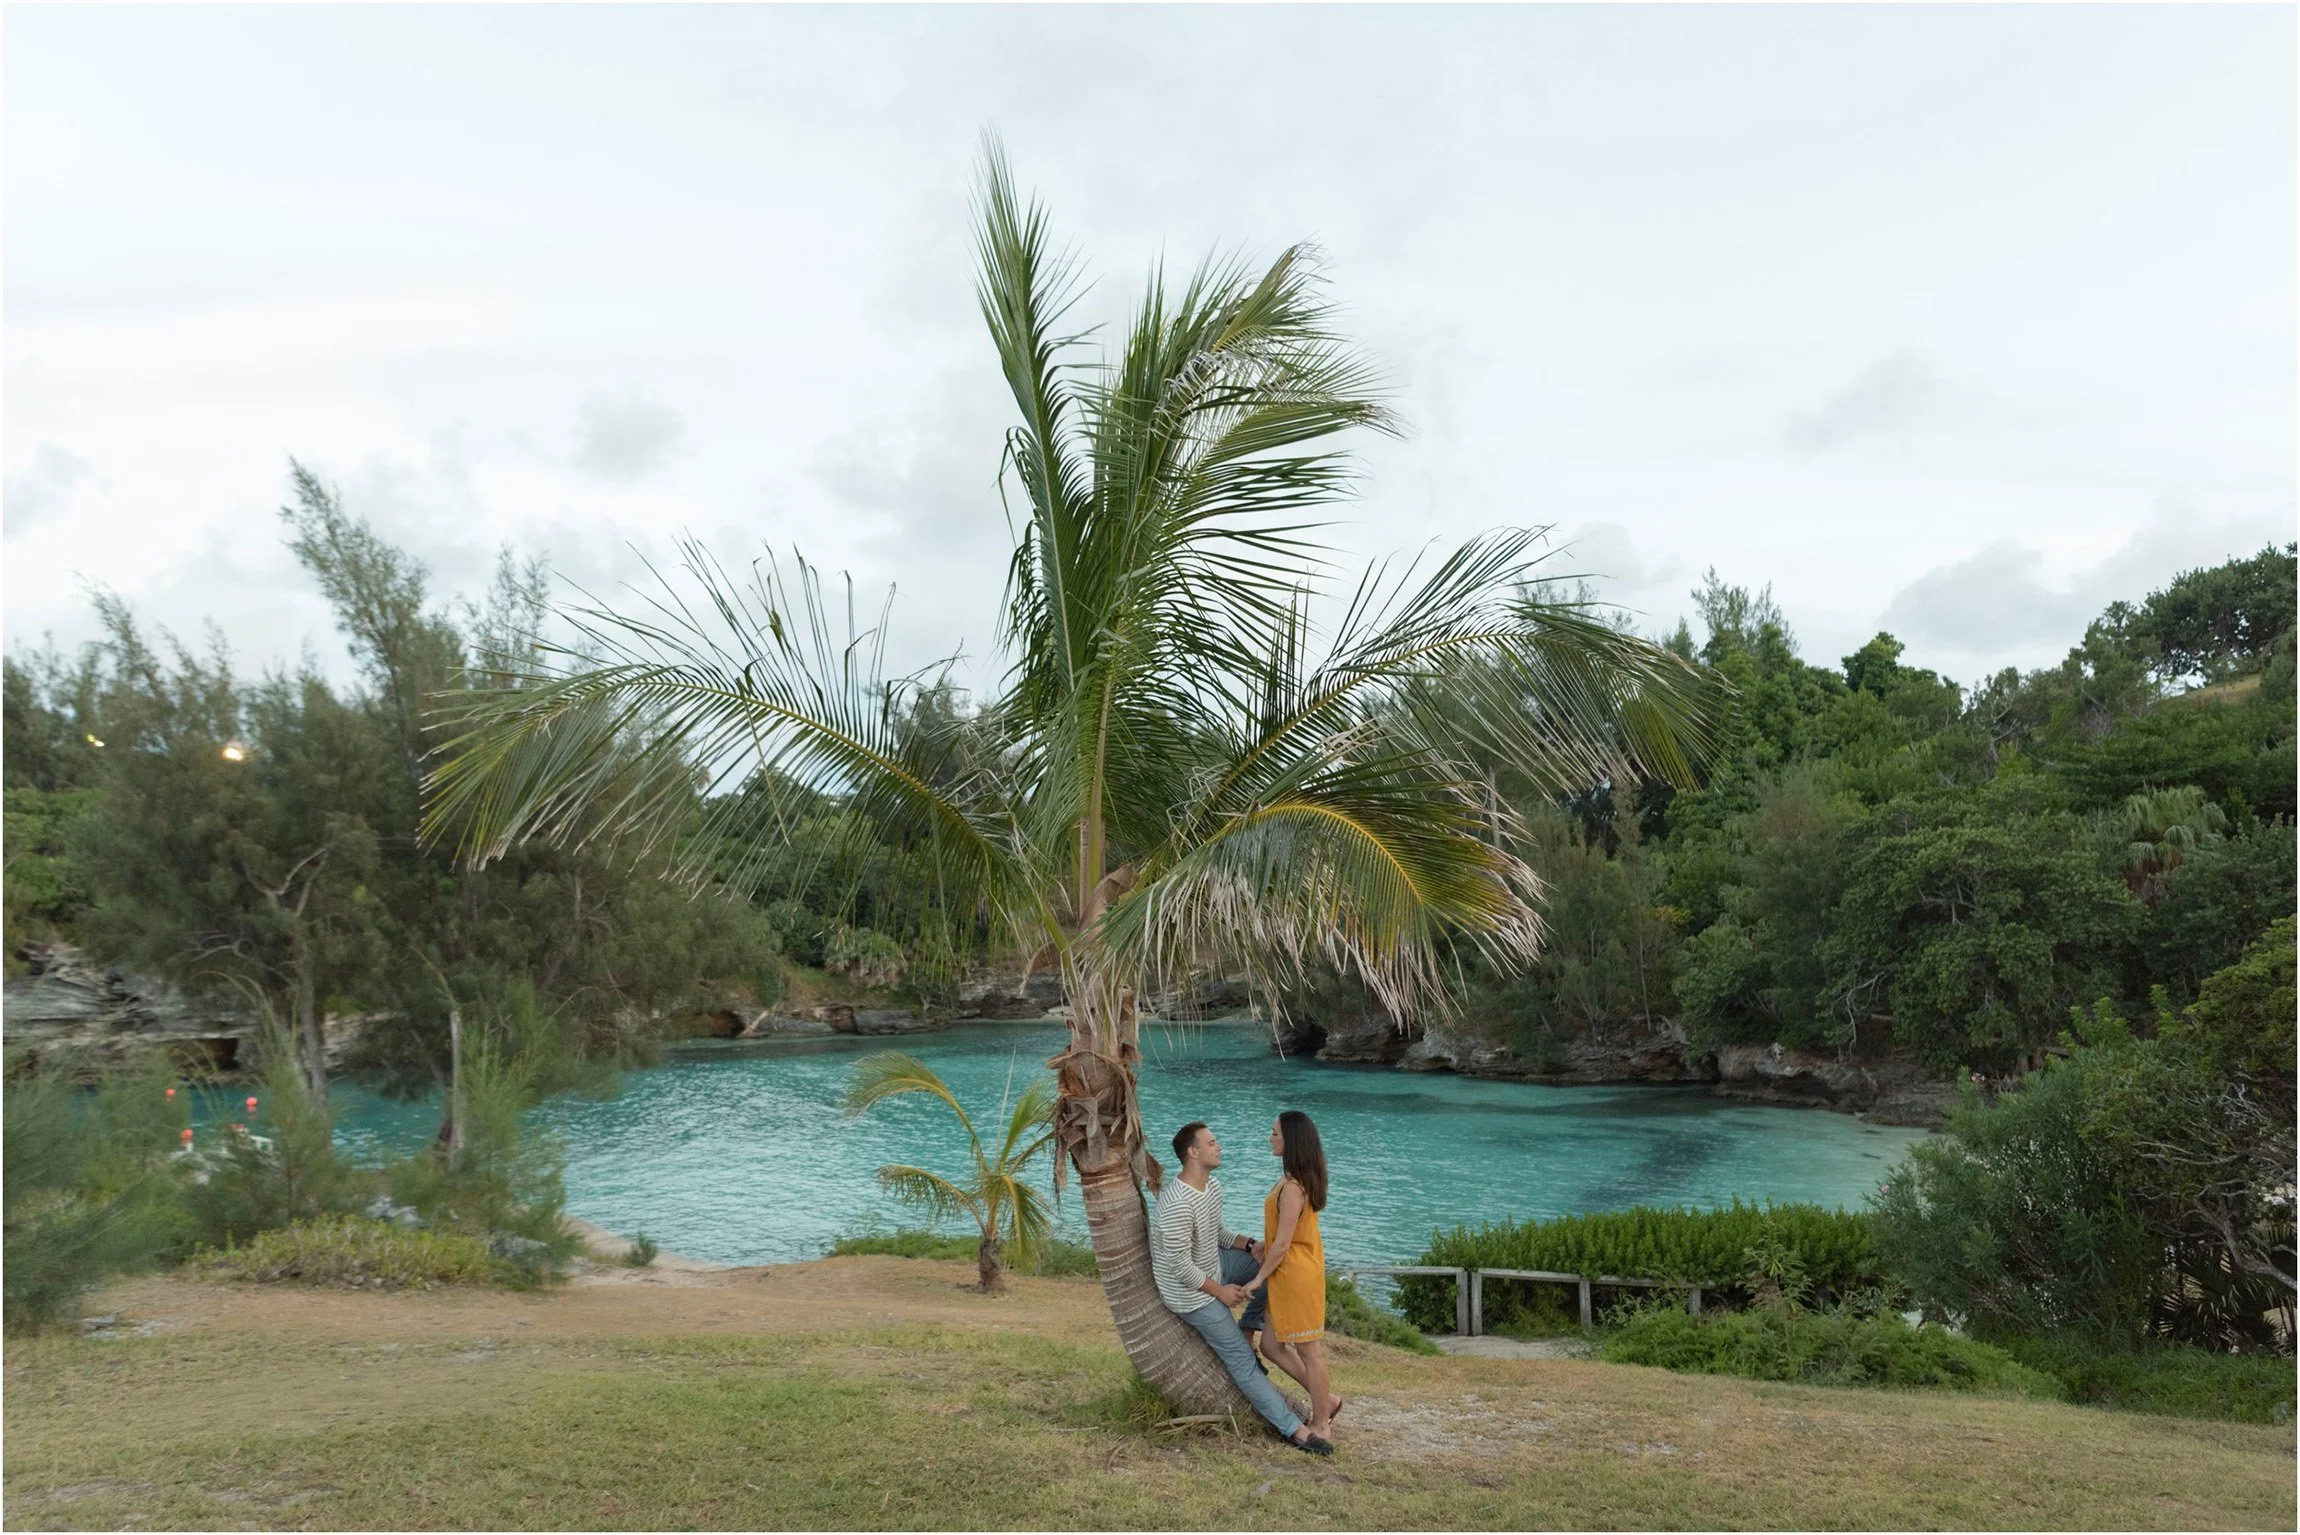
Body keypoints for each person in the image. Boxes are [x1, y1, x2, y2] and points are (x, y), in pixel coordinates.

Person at [1152, 1120, 1334, 1456]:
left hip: (1214, 1266)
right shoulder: (1177, 1203)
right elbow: (1179, 1268)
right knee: (1242, 1363)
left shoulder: (1211, 1187)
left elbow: (1218, 1234)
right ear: (1192, 1153)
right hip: (1189, 1292)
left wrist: (1250, 1245)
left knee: (1266, 1269)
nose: (1218, 1147)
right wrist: (1220, 1292)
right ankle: (1294, 1429)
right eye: (1211, 1143)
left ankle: (1248, 1327)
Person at [1242, 1110, 1339, 1439]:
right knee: (1270, 1344)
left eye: (1275, 1134)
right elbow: (1279, 1237)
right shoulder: (1289, 1180)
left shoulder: (1294, 1188)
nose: (1270, 1138)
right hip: (1287, 1272)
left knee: (1310, 1351)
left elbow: (1284, 1244)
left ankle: (1322, 1423)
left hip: (1295, 1274)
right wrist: (1262, 1247)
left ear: (1291, 1141)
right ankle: (1326, 1400)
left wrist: (1257, 1279)